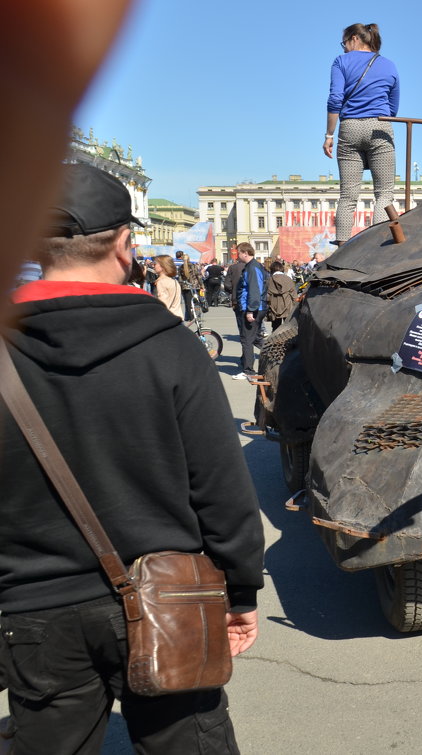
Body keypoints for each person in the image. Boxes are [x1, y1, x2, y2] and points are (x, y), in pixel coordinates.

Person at [0, 163, 264, 753]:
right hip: (168, 598)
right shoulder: (171, 347)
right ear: (124, 244)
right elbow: (223, 491)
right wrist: (240, 592)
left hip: (32, 612)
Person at [324, 23, 400, 242]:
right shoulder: (389, 65)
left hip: (350, 128)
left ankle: (342, 250)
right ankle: (374, 245)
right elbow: (393, 107)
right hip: (380, 126)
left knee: (348, 195)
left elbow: (335, 98)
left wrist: (329, 134)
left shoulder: (341, 62)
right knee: (384, 193)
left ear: (355, 38)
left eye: (344, 43)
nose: (344, 48)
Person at [233, 242, 268, 380]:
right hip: (256, 307)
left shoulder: (252, 268)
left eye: (238, 253)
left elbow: (254, 290)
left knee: (247, 339)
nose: (237, 255)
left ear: (245, 253)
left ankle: (248, 371)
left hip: (254, 308)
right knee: (256, 338)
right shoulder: (252, 266)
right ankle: (279, 356)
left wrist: (250, 310)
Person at [267, 259, 298, 332]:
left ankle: (275, 342)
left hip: (274, 308)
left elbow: (266, 296)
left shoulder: (269, 280)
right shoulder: (288, 279)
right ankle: (288, 342)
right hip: (287, 306)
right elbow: (294, 295)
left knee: (275, 328)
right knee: (289, 328)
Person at [151, 254, 183, 320]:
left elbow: (162, 304)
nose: (153, 266)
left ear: (163, 266)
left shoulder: (161, 282)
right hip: (178, 315)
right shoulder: (174, 281)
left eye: (155, 264)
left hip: (168, 319)